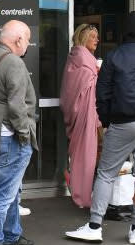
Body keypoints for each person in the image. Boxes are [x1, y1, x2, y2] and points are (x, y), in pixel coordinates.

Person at [65, 11, 135, 245]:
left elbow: (102, 94)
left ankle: (95, 226)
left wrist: (106, 120)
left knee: (105, 174)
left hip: (122, 123)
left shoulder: (114, 56)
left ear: (126, 29)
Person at [0, 20, 37, 245]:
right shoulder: (13, 62)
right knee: (2, 196)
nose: (28, 44)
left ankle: (12, 236)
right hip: (11, 139)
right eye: (28, 38)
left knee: (9, 193)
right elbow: (16, 106)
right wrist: (24, 134)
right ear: (18, 39)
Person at [59, 24, 101, 208]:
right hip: (85, 114)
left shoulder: (75, 56)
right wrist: (98, 74)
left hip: (81, 113)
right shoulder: (84, 57)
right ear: (84, 38)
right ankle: (82, 195)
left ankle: (78, 188)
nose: (97, 40)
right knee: (86, 155)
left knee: (81, 155)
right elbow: (84, 82)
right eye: (93, 36)